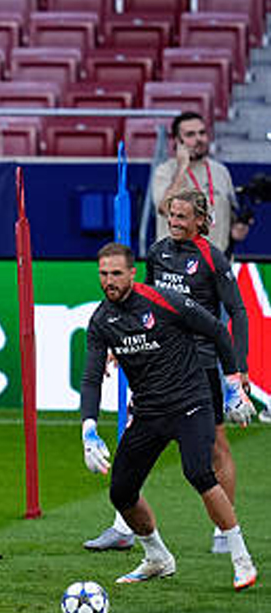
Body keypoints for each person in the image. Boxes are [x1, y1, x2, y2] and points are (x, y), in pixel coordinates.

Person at [84, 190, 255, 554]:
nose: (175, 223)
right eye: (171, 216)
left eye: (182, 217)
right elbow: (142, 299)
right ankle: (123, 524)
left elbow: (237, 313)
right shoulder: (159, 252)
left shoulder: (213, 259)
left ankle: (223, 531)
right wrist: (120, 341)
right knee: (138, 433)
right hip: (158, 359)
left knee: (215, 447)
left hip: (202, 363)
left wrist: (237, 371)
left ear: (200, 221)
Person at [151, 111, 250, 258]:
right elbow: (165, 208)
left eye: (202, 133)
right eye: (190, 135)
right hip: (178, 266)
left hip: (217, 266)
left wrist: (237, 228)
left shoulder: (220, 171)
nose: (199, 139)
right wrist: (183, 166)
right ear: (178, 142)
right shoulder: (165, 171)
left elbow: (228, 216)